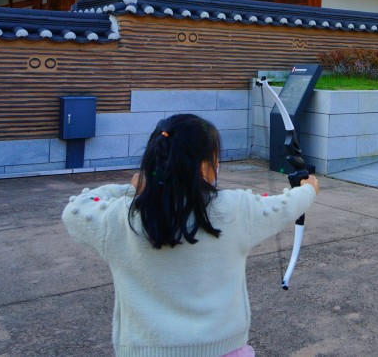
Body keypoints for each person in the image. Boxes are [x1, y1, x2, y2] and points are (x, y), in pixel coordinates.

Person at [62, 113, 318, 357]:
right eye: (216, 159)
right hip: (223, 349)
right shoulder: (236, 209)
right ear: (205, 167)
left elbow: (76, 209)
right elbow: (284, 205)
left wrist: (133, 190)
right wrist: (309, 189)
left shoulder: (118, 217)